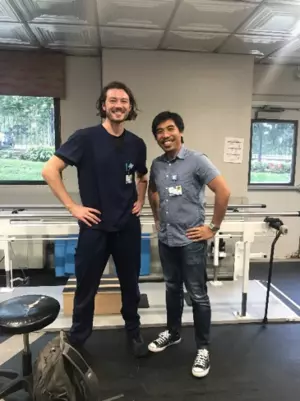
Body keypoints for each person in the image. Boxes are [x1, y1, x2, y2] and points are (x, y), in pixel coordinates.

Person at [42, 81, 149, 357]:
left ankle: (133, 331)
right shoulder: (85, 138)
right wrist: (73, 207)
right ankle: (78, 339)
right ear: (103, 105)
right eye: (113, 100)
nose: (118, 105)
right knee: (86, 287)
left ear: (130, 107)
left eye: (124, 101)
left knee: (130, 285)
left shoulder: (137, 144)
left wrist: (141, 199)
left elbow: (142, 175)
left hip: (127, 227)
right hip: (94, 227)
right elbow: (50, 171)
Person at [147, 111, 230, 377]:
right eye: (159, 131)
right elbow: (153, 191)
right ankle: (173, 333)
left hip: (191, 240)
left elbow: (223, 191)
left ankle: (203, 348)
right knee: (171, 287)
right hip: (167, 239)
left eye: (169, 129)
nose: (165, 135)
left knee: (196, 293)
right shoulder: (157, 165)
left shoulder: (197, 161)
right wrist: (157, 219)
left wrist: (213, 228)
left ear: (180, 131)